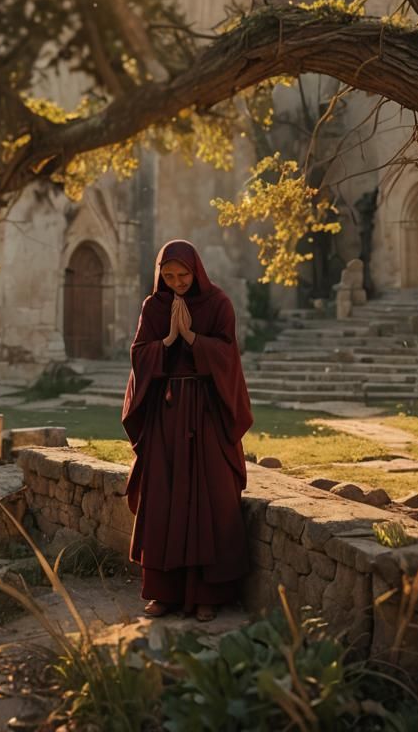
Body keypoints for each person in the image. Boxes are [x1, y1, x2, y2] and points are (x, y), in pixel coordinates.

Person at [121, 239, 253, 622]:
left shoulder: (218, 304)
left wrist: (193, 338)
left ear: (196, 271)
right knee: (163, 498)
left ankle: (207, 594)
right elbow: (139, 354)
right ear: (159, 275)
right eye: (169, 276)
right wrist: (168, 340)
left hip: (207, 414)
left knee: (209, 498)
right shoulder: (153, 307)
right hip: (166, 416)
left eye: (183, 275)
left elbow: (228, 357)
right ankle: (163, 593)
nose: (177, 282)